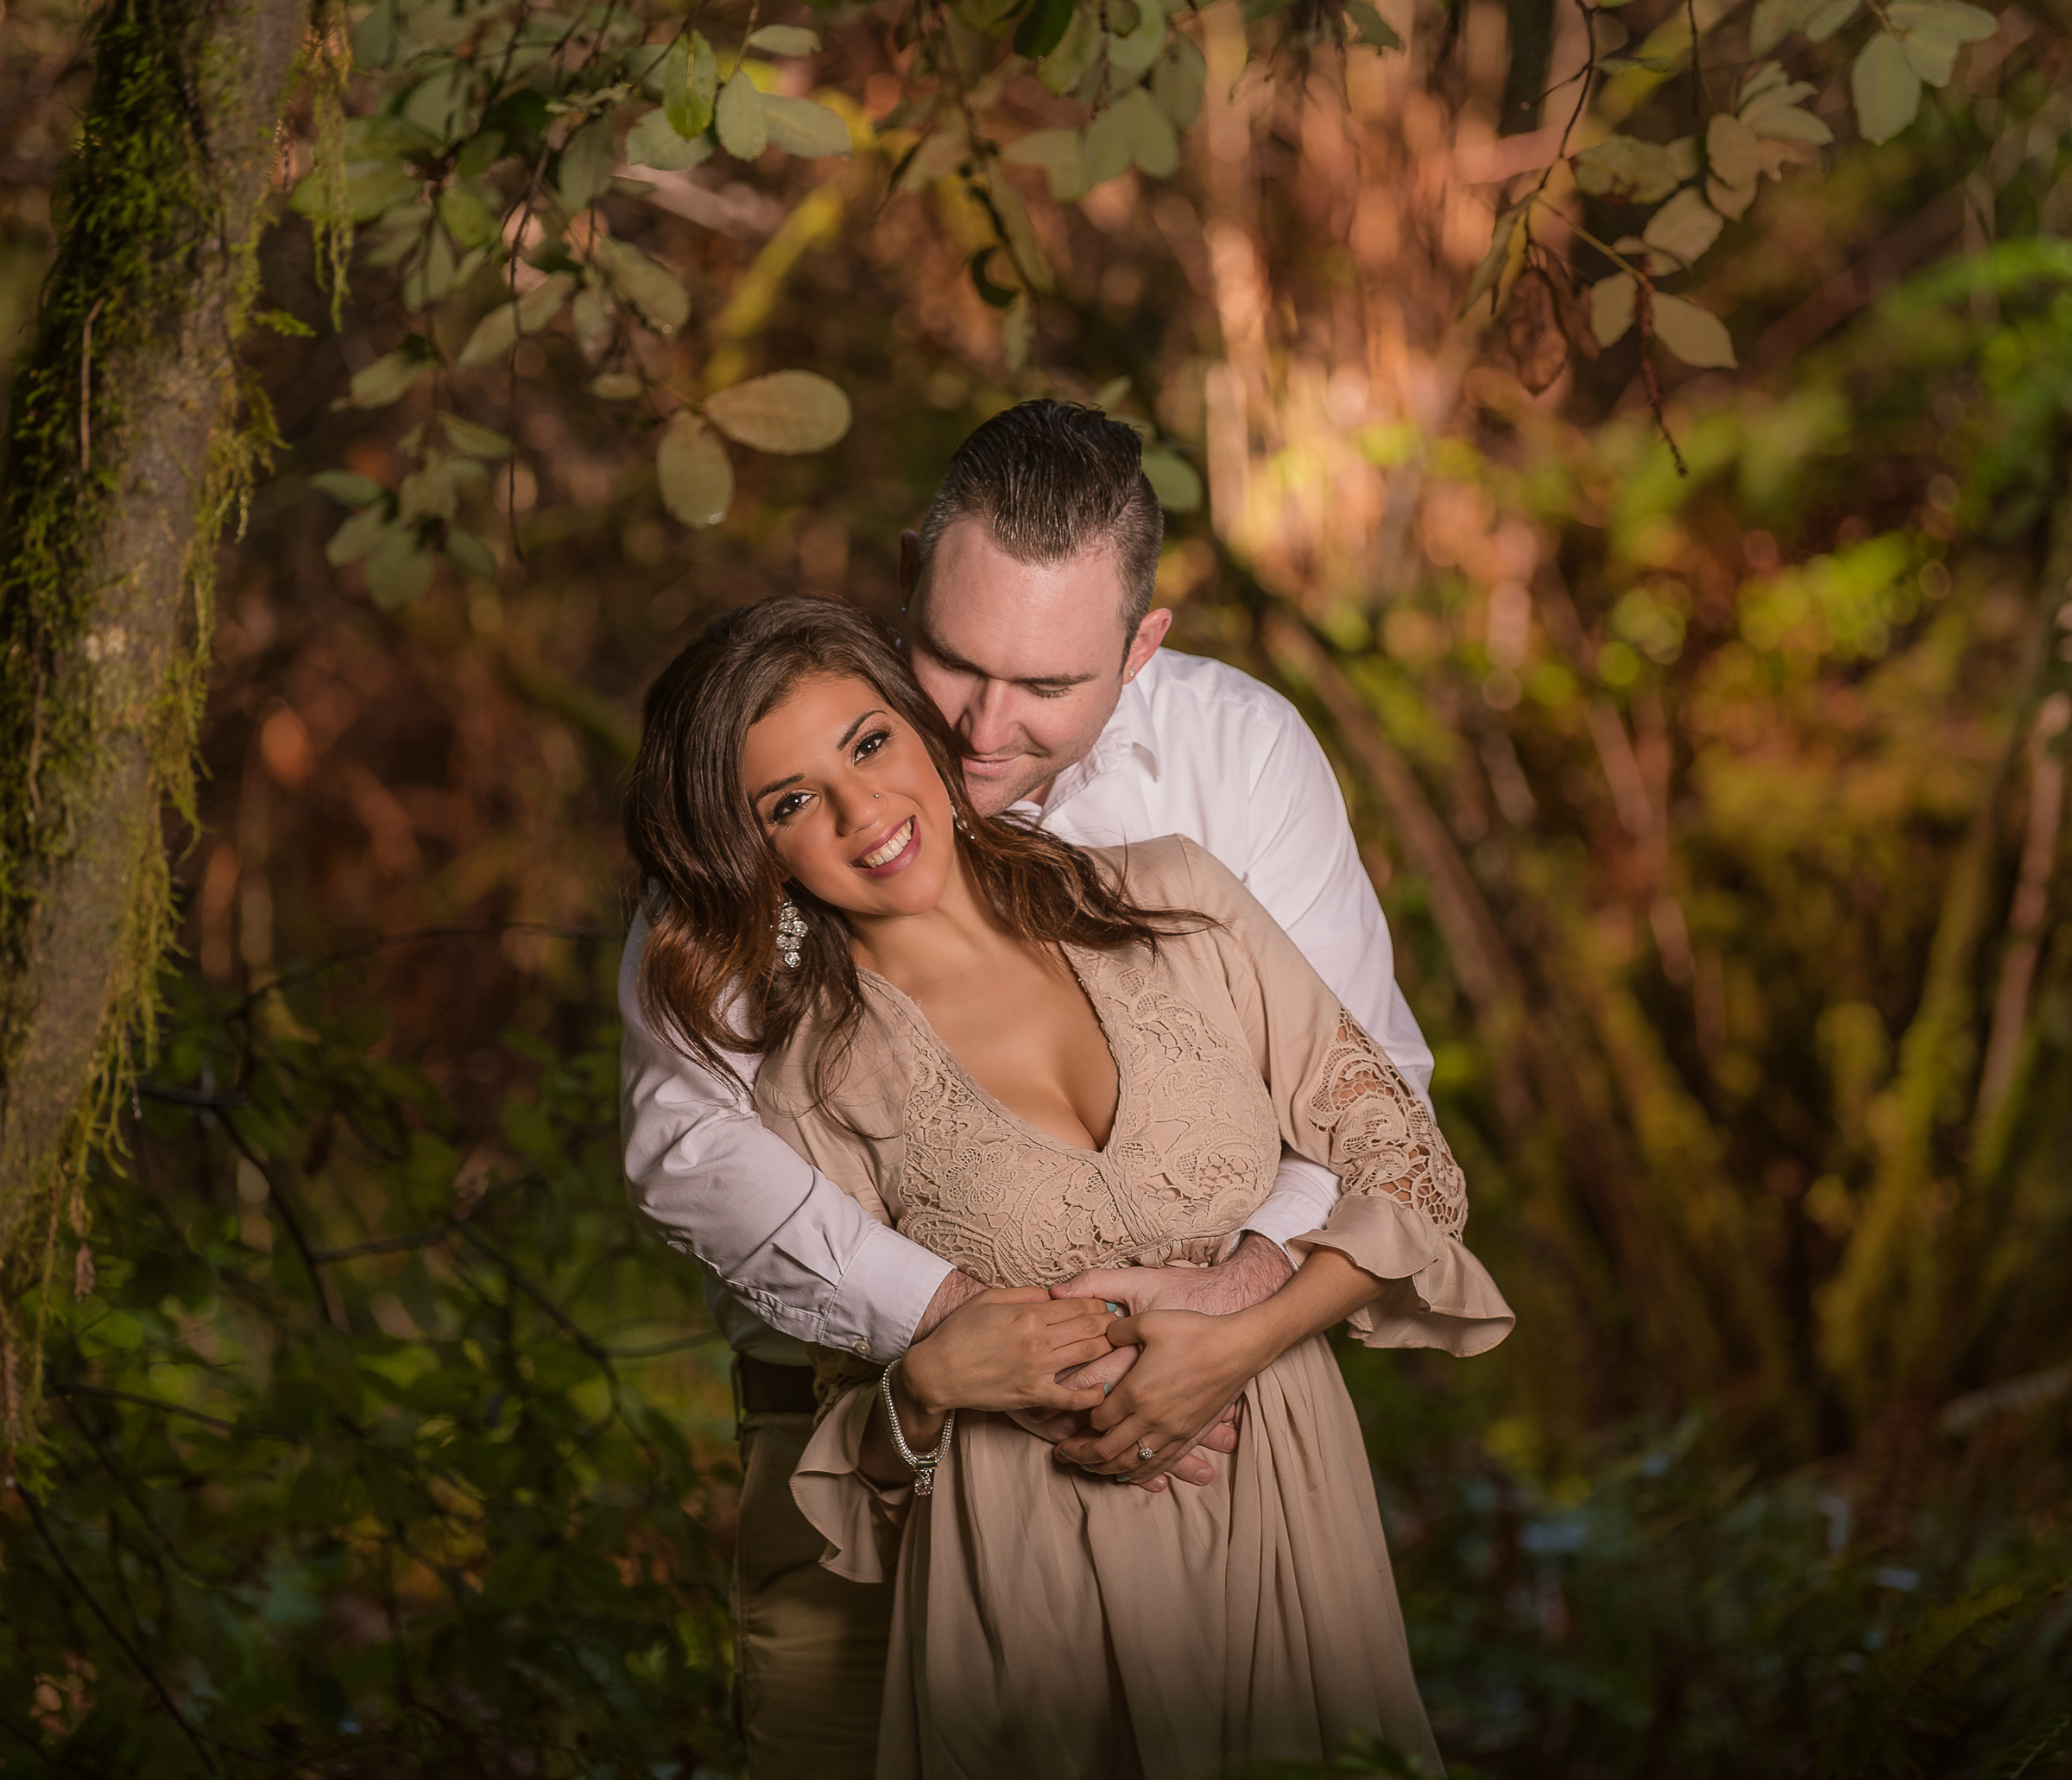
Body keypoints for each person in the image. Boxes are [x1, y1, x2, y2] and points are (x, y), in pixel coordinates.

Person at [618, 401, 1462, 1773]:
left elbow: (1375, 1089)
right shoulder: (791, 763)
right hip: (871, 1435)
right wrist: (958, 1326)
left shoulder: (1232, 767)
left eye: (1048, 687)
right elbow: (686, 1148)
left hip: (1224, 1434)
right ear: (905, 578)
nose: (983, 727)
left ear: (1141, 646)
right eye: (949, 661)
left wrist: (1230, 1305)